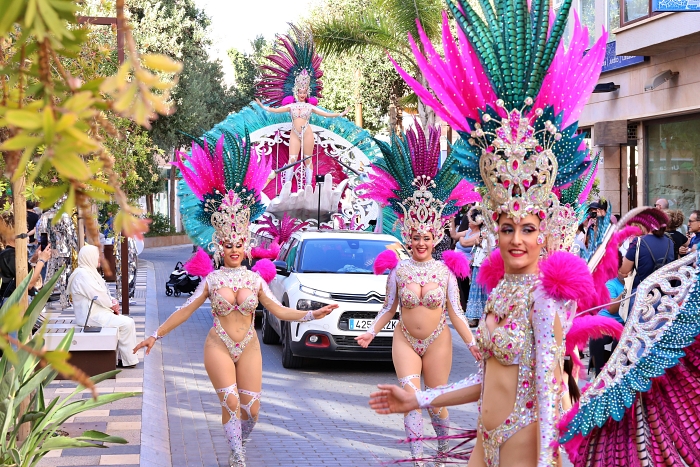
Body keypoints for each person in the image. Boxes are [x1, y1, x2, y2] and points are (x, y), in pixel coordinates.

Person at [134, 132, 336, 467]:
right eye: (227, 244)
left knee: (251, 409)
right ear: (220, 246)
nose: (233, 249)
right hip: (219, 343)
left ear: (245, 243)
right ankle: (236, 453)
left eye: (238, 243)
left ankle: (240, 437)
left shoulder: (256, 279)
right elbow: (185, 311)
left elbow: (279, 310)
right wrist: (155, 335)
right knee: (229, 401)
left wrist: (314, 315)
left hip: (250, 347)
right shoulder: (211, 280)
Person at [356, 123, 481, 467]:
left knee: (436, 403)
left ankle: (441, 453)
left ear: (436, 236)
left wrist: (472, 344)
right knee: (411, 396)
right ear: (409, 236)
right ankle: (418, 461)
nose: (422, 243)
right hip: (405, 339)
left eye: (428, 237)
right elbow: (387, 308)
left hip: (439, 340)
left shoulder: (444, 273)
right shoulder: (398, 271)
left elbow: (455, 313)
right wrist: (371, 330)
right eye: (417, 237)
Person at [255, 27, 349, 190]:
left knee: (308, 160)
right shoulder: (290, 105)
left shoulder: (309, 107)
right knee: (292, 160)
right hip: (294, 133)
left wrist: (341, 113)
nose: (302, 93)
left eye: (305, 91)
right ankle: (285, 188)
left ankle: (307, 188)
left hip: (307, 132)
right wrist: (263, 106)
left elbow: (325, 114)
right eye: (300, 90)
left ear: (308, 92)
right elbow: (275, 110)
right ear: (295, 91)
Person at [67, 244, 138, 367]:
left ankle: (126, 359)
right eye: (97, 256)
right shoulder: (82, 275)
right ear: (89, 257)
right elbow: (98, 295)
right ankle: (128, 360)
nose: (99, 259)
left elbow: (103, 293)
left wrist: (112, 302)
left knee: (126, 322)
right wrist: (112, 304)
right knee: (127, 323)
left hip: (97, 313)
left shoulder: (89, 272)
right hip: (90, 317)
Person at [619, 211, 674, 312]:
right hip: (665, 296)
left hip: (641, 296)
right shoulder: (670, 242)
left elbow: (624, 270)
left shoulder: (638, 241)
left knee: (637, 327)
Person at [0, 211, 51, 303]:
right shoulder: (9, 255)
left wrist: (33, 260)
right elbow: (28, 284)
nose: (27, 232)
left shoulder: (11, 253)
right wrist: (41, 261)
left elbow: (23, 276)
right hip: (15, 304)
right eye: (24, 229)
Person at [588, 251, 625, 376]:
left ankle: (614, 374)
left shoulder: (636, 286)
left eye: (628, 271)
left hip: (622, 323)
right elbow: (611, 309)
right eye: (622, 271)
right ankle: (598, 373)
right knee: (597, 339)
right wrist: (625, 292)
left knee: (619, 344)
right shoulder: (611, 284)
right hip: (606, 320)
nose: (625, 274)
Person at [460, 207, 490, 327]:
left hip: (484, 263)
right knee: (476, 290)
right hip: (477, 263)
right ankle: (475, 317)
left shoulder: (490, 231)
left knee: (484, 291)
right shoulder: (483, 232)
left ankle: (484, 316)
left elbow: (491, 248)